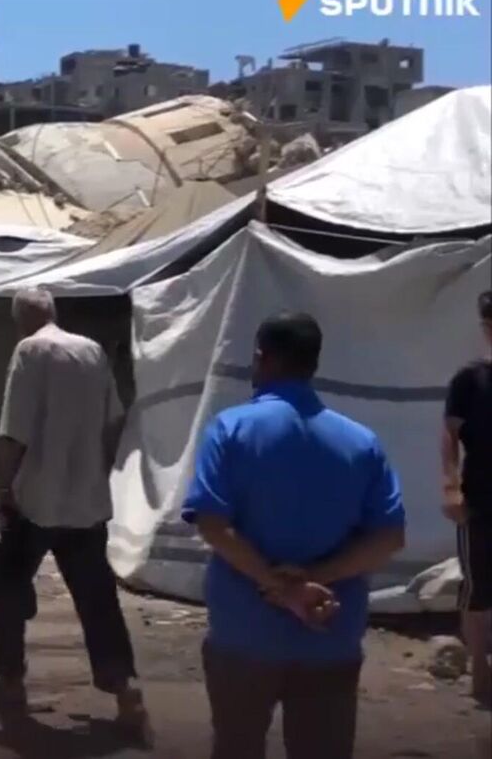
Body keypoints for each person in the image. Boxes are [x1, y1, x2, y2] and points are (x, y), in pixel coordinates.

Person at [183, 311, 406, 759]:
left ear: (261, 358)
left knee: (236, 747)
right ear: (314, 363)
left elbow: (213, 524)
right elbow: (389, 538)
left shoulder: (230, 429)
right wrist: (313, 580)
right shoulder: (361, 442)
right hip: (330, 634)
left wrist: (277, 585)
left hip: (244, 633)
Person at [0, 288, 150, 738]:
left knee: (6, 589)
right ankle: (126, 691)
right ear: (54, 312)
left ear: (20, 320)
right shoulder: (91, 351)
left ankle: (10, 681)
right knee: (98, 601)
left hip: (35, 501)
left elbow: (14, 431)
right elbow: (114, 422)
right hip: (87, 503)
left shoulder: (29, 351)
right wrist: (100, 474)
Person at [442, 290, 492, 706]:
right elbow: (449, 435)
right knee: (478, 584)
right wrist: (450, 486)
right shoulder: (469, 380)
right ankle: (479, 668)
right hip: (480, 497)